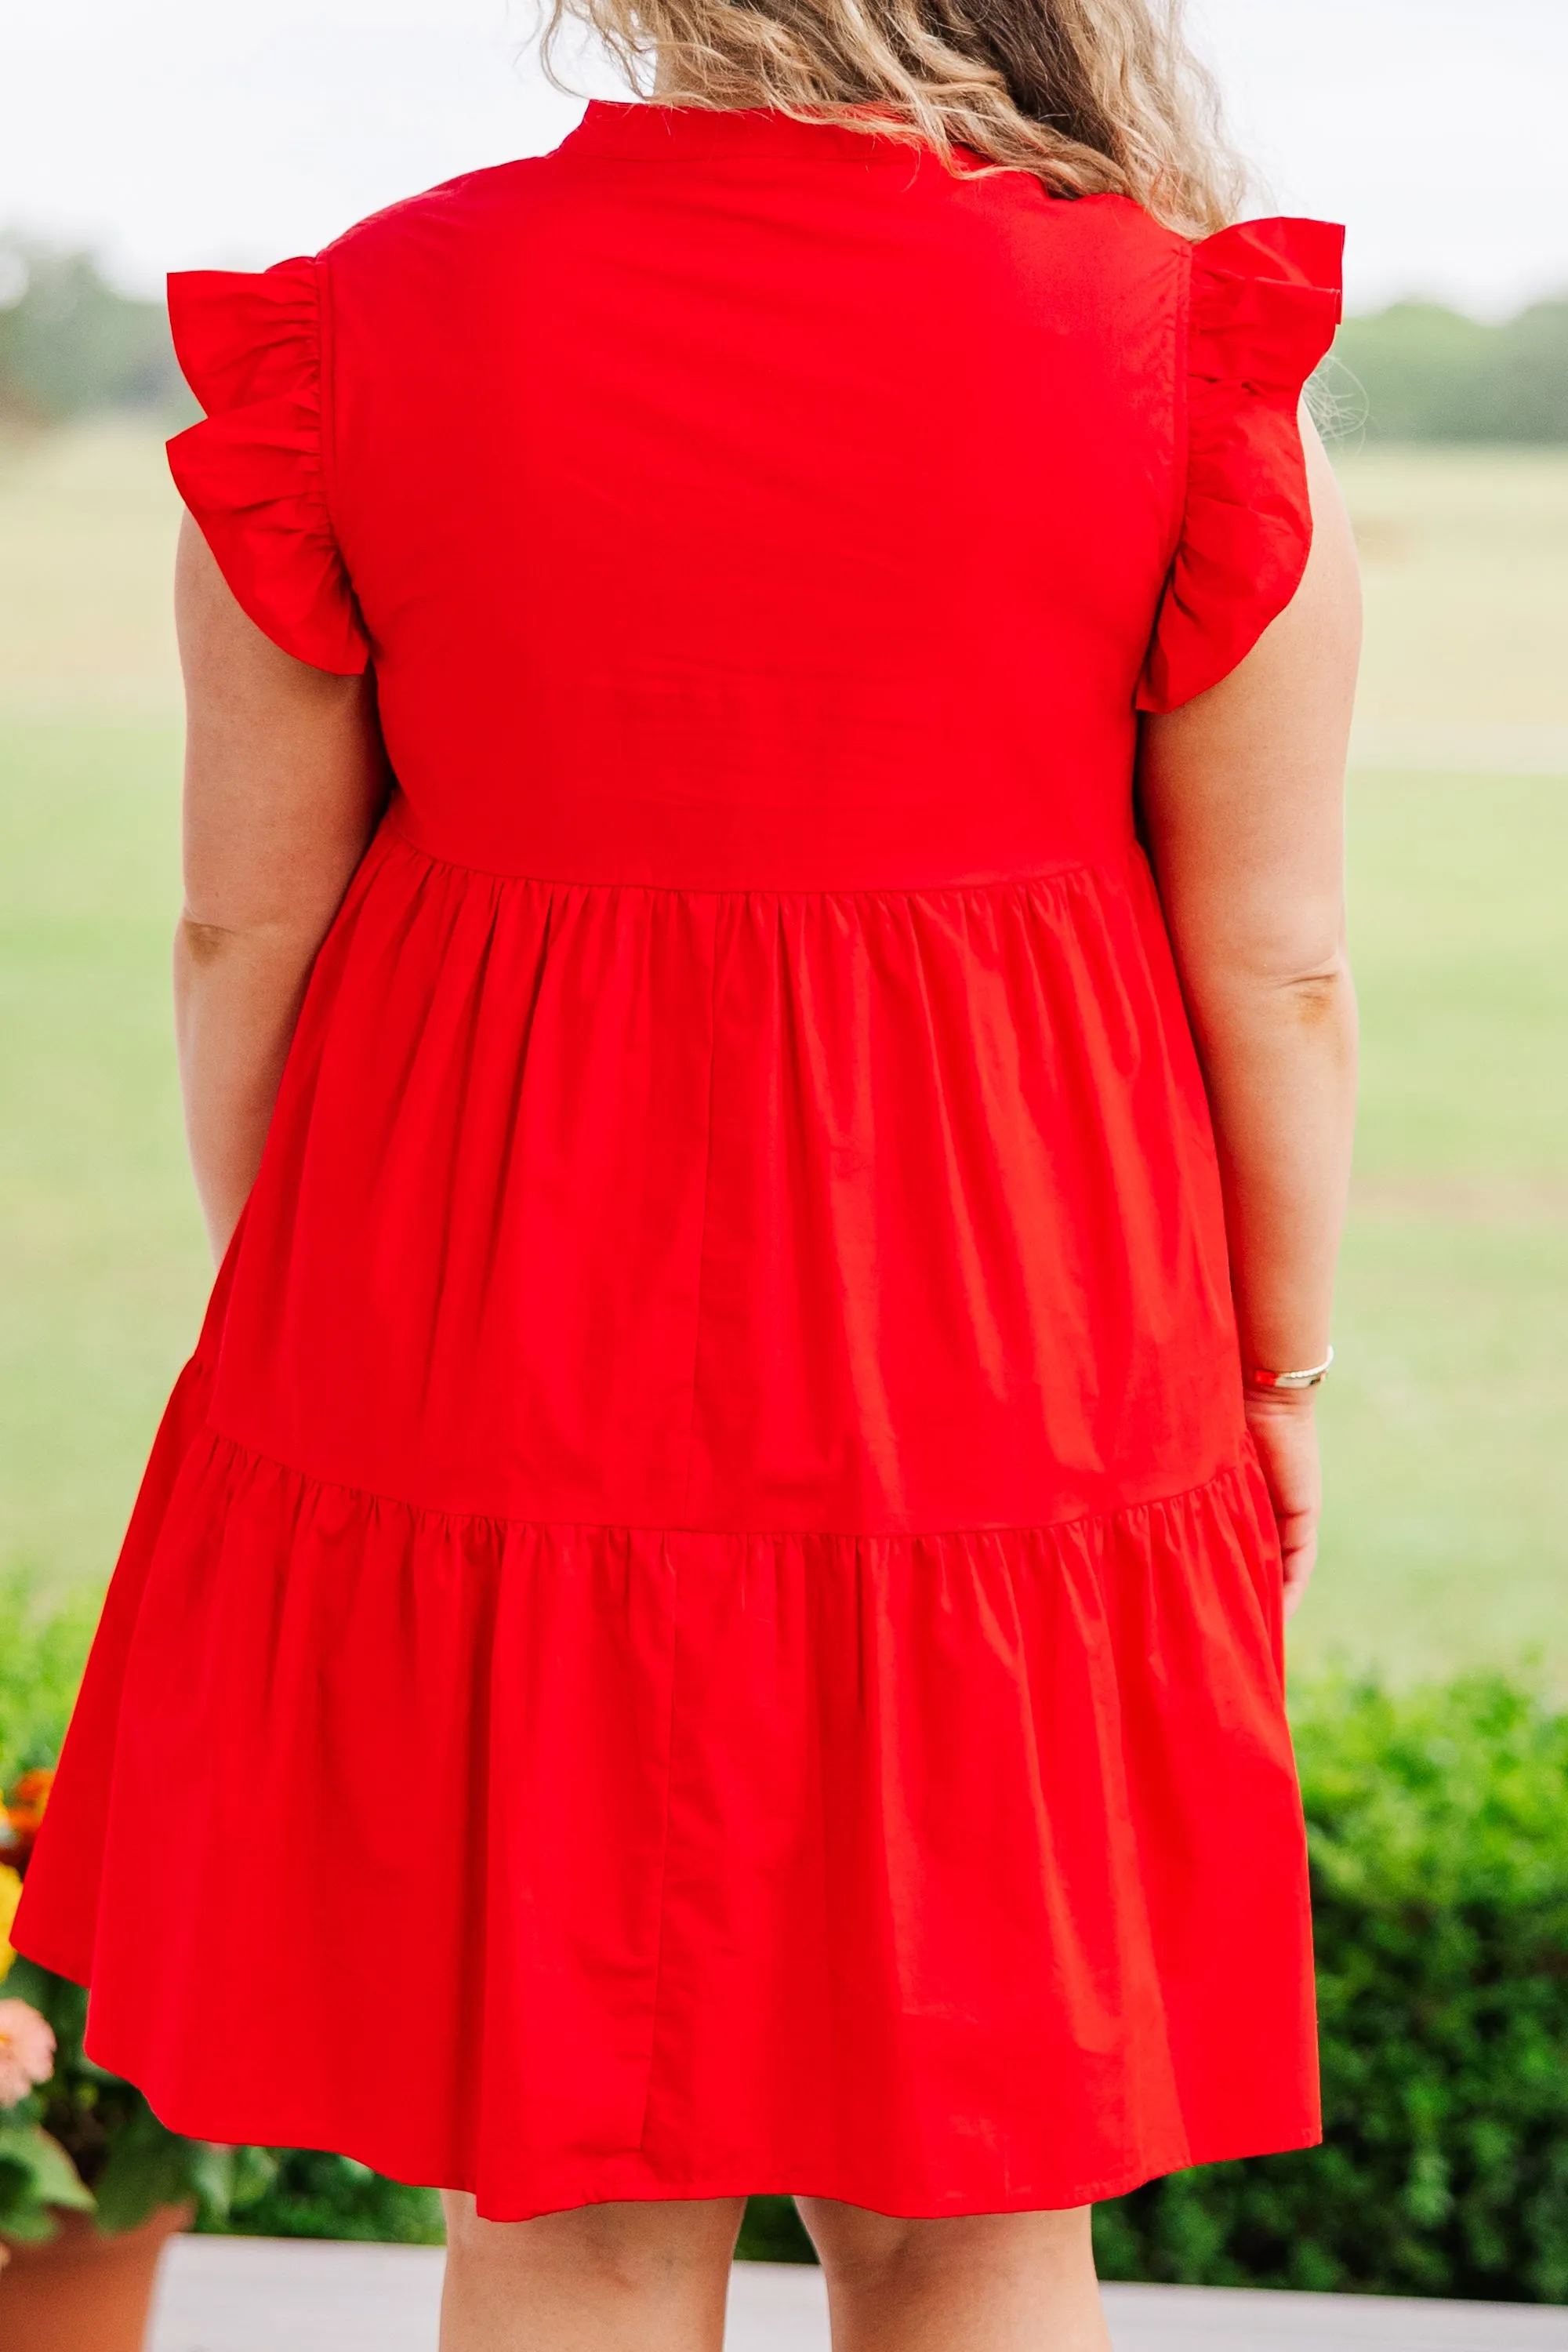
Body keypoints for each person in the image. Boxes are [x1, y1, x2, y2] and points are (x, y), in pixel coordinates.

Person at [15, 0, 1359, 2337]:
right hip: (1013, 1343)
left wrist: (324, 1289)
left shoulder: (362, 327)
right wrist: (1283, 1375)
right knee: (975, 2182)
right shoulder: (1171, 340)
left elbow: (247, 919)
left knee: (573, 2188)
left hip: (491, 1319)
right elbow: (1285, 965)